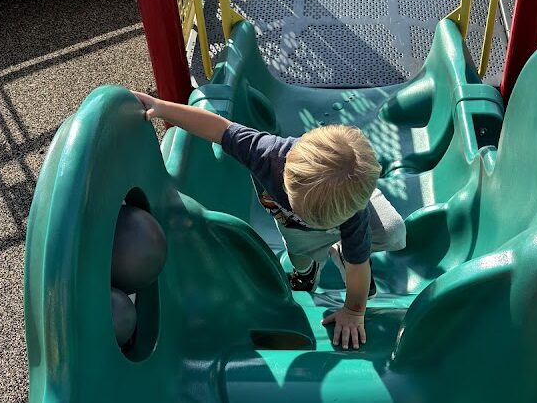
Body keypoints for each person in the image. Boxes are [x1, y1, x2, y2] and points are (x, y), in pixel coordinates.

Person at [133, 91, 406, 349]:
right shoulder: (264, 153)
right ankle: (305, 271)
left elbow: (358, 266)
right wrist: (163, 107)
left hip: (345, 204)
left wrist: (353, 310)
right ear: (287, 178)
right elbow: (218, 128)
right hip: (295, 227)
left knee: (392, 233)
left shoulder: (351, 207)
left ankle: (340, 247)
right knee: (301, 256)